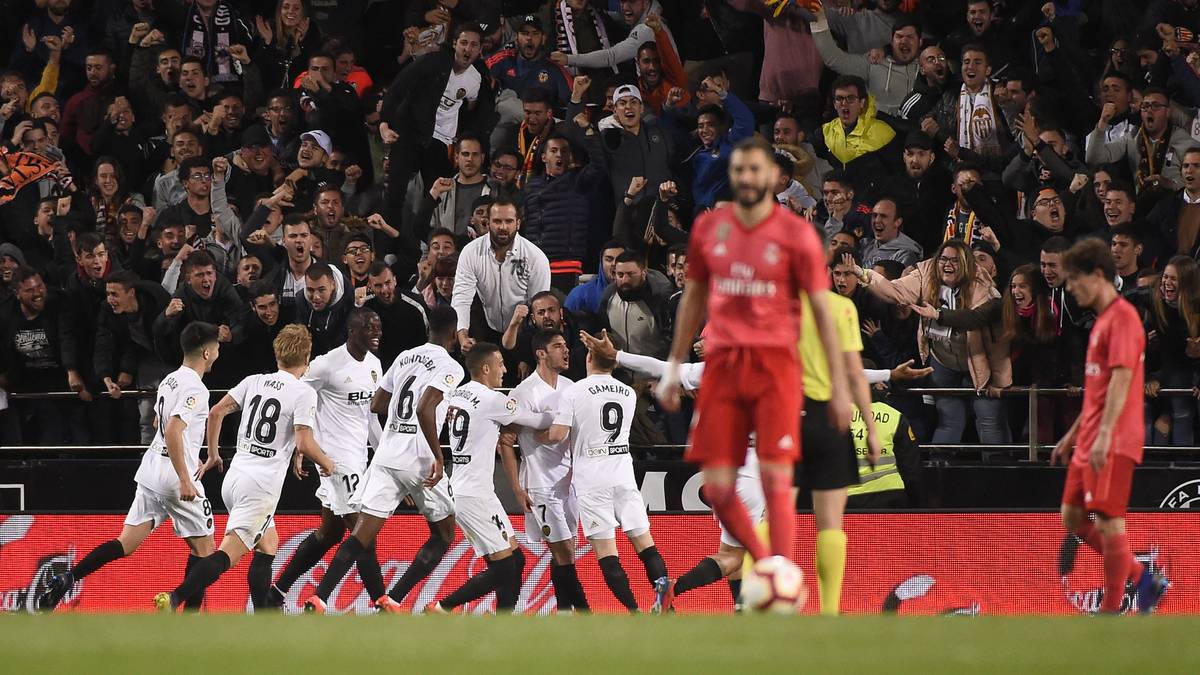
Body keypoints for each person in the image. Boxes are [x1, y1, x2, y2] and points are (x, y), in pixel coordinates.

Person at [656, 137, 853, 566]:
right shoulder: (710, 228)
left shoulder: (795, 234)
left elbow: (821, 308)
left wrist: (838, 385)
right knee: (717, 488)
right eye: (739, 170)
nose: (746, 177)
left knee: (776, 480)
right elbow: (694, 296)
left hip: (774, 369)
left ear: (771, 177)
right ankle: (766, 560)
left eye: (754, 169)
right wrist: (674, 365)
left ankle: (776, 571)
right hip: (724, 368)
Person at [39, 322, 223, 610]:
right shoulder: (197, 390)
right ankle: (186, 620)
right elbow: (174, 429)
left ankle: (69, 578)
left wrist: (190, 451)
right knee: (206, 551)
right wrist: (186, 478)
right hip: (175, 478)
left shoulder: (169, 380)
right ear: (208, 353)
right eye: (217, 348)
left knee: (125, 543)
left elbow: (157, 423)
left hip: (151, 470)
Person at [156, 324, 337, 611]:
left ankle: (263, 616)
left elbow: (217, 412)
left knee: (269, 544)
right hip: (261, 486)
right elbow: (304, 442)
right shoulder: (303, 393)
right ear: (307, 357)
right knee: (228, 554)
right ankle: (175, 597)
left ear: (277, 354)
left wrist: (214, 454)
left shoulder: (254, 381)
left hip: (235, 477)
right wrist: (328, 463)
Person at [301, 307, 462, 613]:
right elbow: (425, 408)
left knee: (361, 533)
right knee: (444, 534)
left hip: (386, 456)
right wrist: (439, 457)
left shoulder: (405, 357)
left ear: (428, 327)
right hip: (419, 459)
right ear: (454, 333)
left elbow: (378, 403)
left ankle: (320, 597)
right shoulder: (451, 366)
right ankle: (394, 598)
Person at [1050, 238, 1169, 615]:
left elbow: (1122, 381)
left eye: (1074, 280)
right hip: (1091, 436)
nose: (1069, 288)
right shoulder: (1101, 322)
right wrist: (1072, 434)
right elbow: (1099, 388)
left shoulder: (1123, 319)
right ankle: (1142, 574)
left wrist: (1103, 435)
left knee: (1108, 519)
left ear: (1097, 275)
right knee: (1071, 517)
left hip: (1114, 437)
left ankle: (1112, 610)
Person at [266, 309, 391, 610]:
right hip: (334, 462)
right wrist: (300, 446)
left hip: (358, 461)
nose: (376, 332)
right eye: (368, 327)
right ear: (352, 330)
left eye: (378, 326)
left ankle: (276, 593)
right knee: (363, 534)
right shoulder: (326, 365)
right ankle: (382, 604)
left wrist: (385, 457)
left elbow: (371, 417)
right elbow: (297, 397)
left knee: (329, 533)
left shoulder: (375, 365)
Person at [538, 342, 671, 614]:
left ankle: (634, 613)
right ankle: (665, 607)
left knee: (608, 555)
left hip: (592, 479)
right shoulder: (628, 393)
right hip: (623, 473)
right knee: (646, 546)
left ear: (588, 358)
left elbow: (557, 434)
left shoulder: (574, 391)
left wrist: (533, 434)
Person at [427, 343, 555, 613]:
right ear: (485, 369)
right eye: (500, 364)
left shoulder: (458, 394)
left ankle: (503, 624)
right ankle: (442, 608)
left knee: (516, 560)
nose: (505, 370)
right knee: (505, 566)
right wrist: (565, 412)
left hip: (473, 490)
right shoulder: (492, 400)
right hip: (473, 495)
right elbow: (537, 421)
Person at [848, 240, 1012, 444]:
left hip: (979, 361)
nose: (947, 265)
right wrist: (863, 274)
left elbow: (975, 318)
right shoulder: (925, 273)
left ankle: (996, 470)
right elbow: (894, 290)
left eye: (954, 260)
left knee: (988, 418)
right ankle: (940, 468)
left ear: (966, 263)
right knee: (949, 420)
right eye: (943, 259)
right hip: (942, 360)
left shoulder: (980, 281)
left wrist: (937, 314)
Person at [497, 329, 589, 612]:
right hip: (540, 485)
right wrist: (516, 488)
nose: (566, 350)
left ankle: (562, 613)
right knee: (562, 550)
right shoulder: (524, 392)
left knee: (566, 551)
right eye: (558, 346)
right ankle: (586, 613)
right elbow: (506, 442)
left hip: (568, 483)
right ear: (541, 353)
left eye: (565, 345)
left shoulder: (571, 386)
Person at [451, 199, 550, 350]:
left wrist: (528, 353)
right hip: (486, 328)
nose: (503, 227)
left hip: (523, 333)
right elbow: (461, 299)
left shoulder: (536, 257)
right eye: (497, 221)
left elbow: (539, 307)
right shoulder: (471, 252)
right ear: (487, 223)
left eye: (509, 221)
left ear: (518, 223)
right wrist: (463, 336)